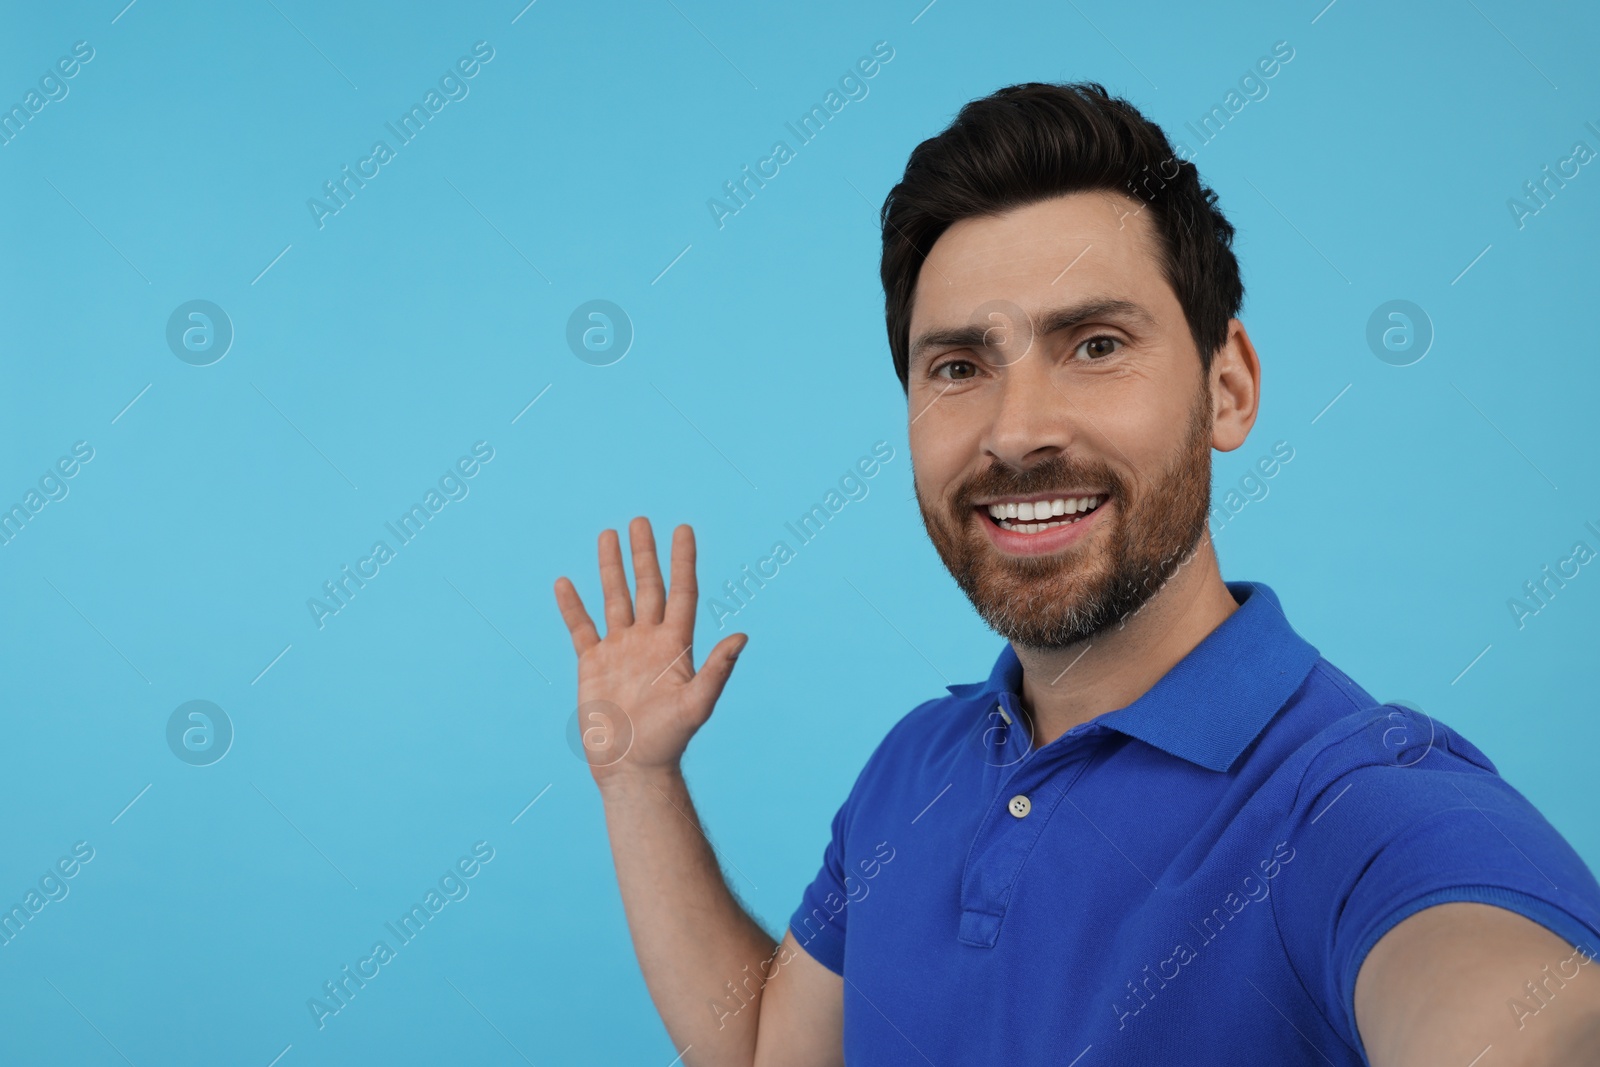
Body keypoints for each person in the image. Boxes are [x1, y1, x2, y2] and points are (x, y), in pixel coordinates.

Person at [552, 82, 1600, 1066]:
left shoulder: (1360, 803)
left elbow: (1522, 1013)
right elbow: (767, 1049)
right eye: (958, 367)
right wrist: (639, 780)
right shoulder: (913, 768)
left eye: (1094, 344)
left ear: (1227, 387)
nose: (1017, 432)